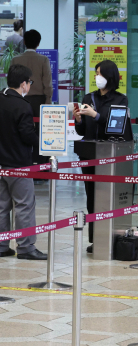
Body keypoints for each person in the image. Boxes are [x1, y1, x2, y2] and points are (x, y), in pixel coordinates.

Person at [0, 64, 47, 260]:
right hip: (18, 165)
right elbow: (27, 136)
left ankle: (1, 245)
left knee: (2, 206)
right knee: (24, 205)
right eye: (29, 82)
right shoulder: (23, 106)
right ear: (23, 84)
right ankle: (26, 247)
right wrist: (45, 140)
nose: (29, 86)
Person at [74, 59, 131, 251]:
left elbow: (115, 128)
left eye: (100, 73)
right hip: (89, 155)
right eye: (96, 74)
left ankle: (112, 237)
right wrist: (79, 119)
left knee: (108, 197)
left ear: (109, 76)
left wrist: (95, 116)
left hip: (111, 156)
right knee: (92, 197)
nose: (97, 77)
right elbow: (82, 132)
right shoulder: (88, 98)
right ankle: (95, 239)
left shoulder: (120, 99)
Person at [11, 29, 53, 168]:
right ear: (38, 43)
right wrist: (47, 103)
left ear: (24, 42)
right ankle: (40, 166)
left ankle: (22, 165)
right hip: (39, 102)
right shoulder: (43, 60)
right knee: (40, 134)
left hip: (18, 101)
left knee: (19, 132)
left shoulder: (16, 60)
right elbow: (47, 83)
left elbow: (11, 82)